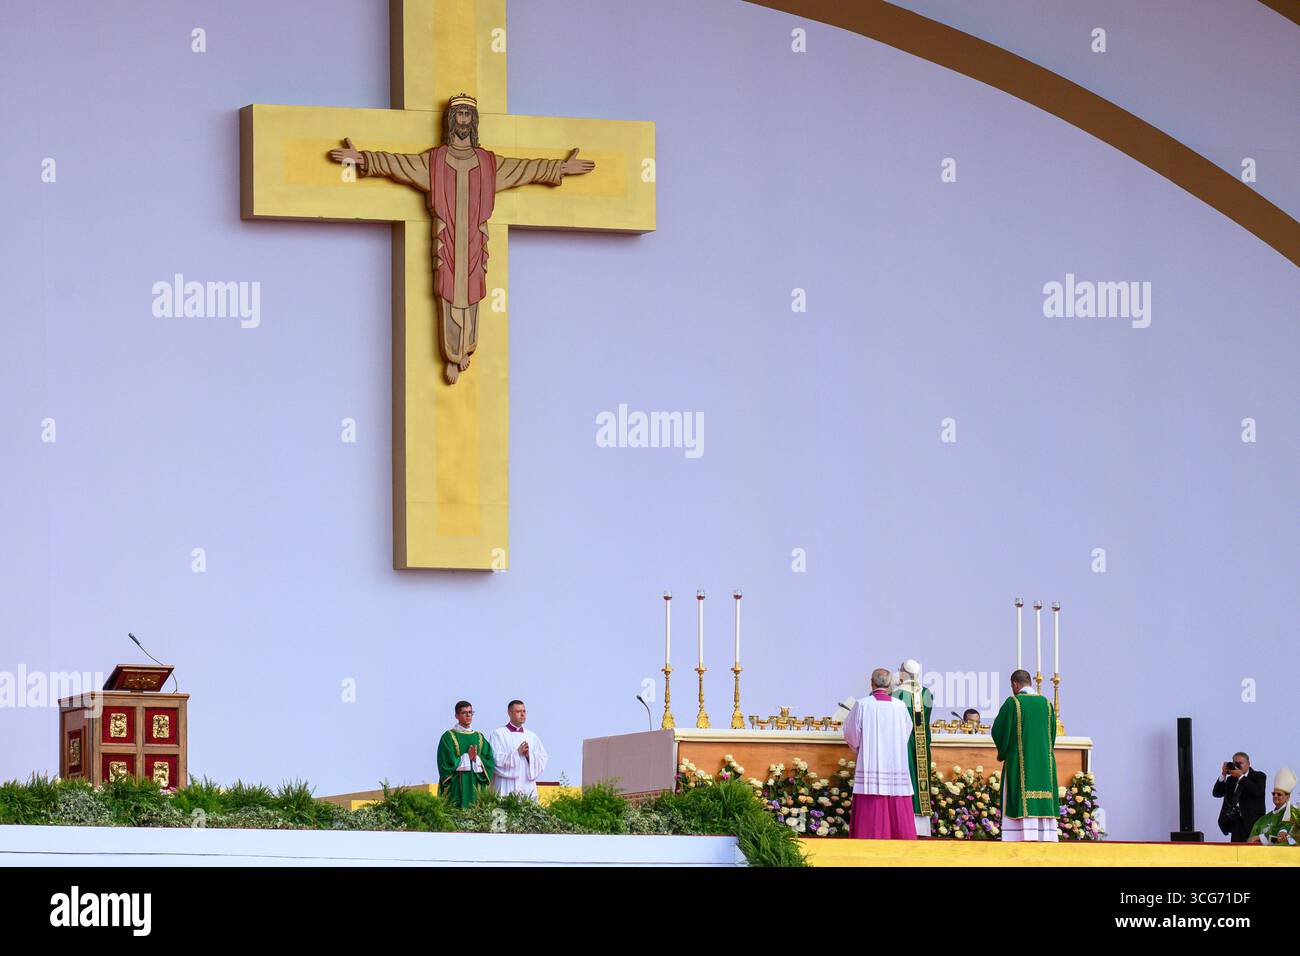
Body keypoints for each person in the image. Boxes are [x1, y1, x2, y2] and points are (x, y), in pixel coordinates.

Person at [327, 95, 595, 384]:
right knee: (449, 290)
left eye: (469, 116)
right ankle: (454, 353)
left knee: (473, 291)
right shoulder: (435, 162)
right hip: (448, 241)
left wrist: (559, 169)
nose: (464, 121)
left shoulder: (488, 163)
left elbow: (523, 169)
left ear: (474, 122)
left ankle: (466, 348)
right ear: (451, 121)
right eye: (460, 116)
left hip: (475, 244)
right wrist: (364, 159)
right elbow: (400, 164)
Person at [843, 668, 916, 839]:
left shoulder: (862, 704)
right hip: (895, 763)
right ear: (890, 684)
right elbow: (907, 731)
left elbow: (850, 732)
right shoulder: (900, 706)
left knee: (872, 801)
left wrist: (861, 749)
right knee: (897, 796)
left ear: (871, 682)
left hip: (871, 763)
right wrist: (895, 747)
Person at [992, 669, 1059, 842]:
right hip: (1044, 763)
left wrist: (1003, 750)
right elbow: (1052, 735)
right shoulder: (1047, 704)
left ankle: (1019, 835)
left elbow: (999, 730)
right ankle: (1045, 835)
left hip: (1019, 762)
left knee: (1018, 790)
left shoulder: (1013, 703)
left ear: (1015, 684)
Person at [891, 659, 933, 837]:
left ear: (903, 673)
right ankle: (922, 826)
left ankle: (904, 823)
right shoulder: (927, 693)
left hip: (903, 744)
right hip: (921, 743)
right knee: (919, 779)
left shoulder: (896, 694)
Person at [436, 700, 495, 808]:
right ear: (456, 716)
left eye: (470, 712)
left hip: (476, 783)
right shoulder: (448, 737)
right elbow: (444, 763)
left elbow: (489, 759)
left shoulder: (479, 736)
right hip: (457, 785)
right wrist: (467, 758)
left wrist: (477, 759)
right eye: (464, 713)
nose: (468, 715)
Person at [489, 700, 549, 799]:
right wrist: (517, 753)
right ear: (509, 713)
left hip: (526, 784)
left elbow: (542, 757)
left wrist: (529, 755)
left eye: (524, 711)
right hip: (506, 784)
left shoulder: (532, 736)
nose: (522, 714)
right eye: (518, 711)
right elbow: (494, 759)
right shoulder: (498, 734)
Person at [1213, 752, 1267, 843]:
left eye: (1241, 763)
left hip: (1253, 823)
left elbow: (1258, 792)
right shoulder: (1231, 779)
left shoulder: (1259, 776)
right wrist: (1223, 774)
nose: (1238, 766)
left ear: (1248, 764)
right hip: (1235, 822)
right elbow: (1217, 793)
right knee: (1235, 852)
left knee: (1252, 853)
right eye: (1235, 763)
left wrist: (1241, 777)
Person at [1247, 767, 1295, 845]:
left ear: (1287, 797)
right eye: (1273, 793)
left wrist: (1259, 838)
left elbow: (1289, 840)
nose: (1275, 796)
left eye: (1279, 794)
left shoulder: (1293, 815)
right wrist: (1258, 839)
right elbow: (1251, 840)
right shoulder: (1263, 820)